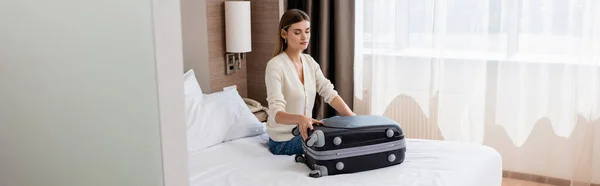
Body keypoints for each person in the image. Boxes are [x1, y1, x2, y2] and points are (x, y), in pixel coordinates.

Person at [264, 9, 355, 156]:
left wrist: (353, 118)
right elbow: (276, 113)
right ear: (284, 34)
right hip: (283, 141)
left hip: (306, 132)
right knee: (334, 141)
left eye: (307, 31)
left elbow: (328, 92)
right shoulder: (275, 65)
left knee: (341, 124)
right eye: (297, 32)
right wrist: (300, 119)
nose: (304, 36)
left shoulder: (309, 62)